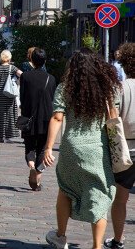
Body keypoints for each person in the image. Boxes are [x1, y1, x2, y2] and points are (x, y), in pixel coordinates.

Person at [43, 48, 120, 249]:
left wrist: (49, 148)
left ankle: (60, 236)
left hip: (71, 149)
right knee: (100, 197)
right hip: (98, 149)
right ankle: (96, 246)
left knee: (66, 190)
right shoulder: (107, 89)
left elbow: (57, 117)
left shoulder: (65, 88)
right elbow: (113, 117)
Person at [104, 43, 135, 249]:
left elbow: (111, 120)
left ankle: (118, 239)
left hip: (126, 150)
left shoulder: (120, 88)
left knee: (121, 199)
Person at [18, 48, 56, 191]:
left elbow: (22, 97)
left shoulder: (25, 77)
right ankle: (37, 178)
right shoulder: (51, 78)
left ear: (32, 61)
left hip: (29, 117)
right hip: (46, 118)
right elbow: (53, 99)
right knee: (42, 149)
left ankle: (31, 166)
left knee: (29, 146)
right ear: (45, 61)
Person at [0, 50, 22, 143]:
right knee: (9, 115)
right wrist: (17, 83)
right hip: (9, 95)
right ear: (9, 59)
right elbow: (22, 74)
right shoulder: (12, 68)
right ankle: (8, 136)